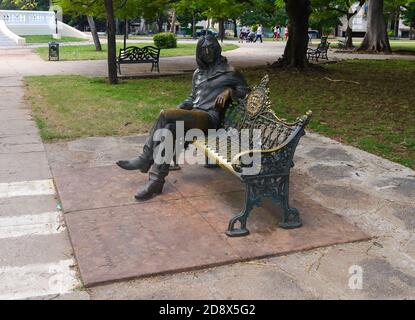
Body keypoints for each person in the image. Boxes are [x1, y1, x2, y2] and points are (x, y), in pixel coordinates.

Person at [116, 35, 249, 201]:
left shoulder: (230, 71)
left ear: (217, 48)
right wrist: (180, 109)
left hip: (210, 120)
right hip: (195, 116)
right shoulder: (198, 73)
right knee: (170, 128)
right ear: (199, 53)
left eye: (211, 48)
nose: (208, 52)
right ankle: (156, 181)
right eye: (203, 49)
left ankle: (144, 159)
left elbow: (246, 92)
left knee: (165, 114)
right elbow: (192, 98)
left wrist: (230, 92)